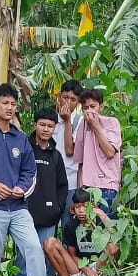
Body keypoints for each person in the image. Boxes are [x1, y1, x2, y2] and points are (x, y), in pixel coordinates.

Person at [0, 83, 48, 276]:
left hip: (19, 208)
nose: (9, 107)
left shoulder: (20, 138)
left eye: (13, 104)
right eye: (5, 103)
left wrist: (21, 188)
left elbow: (30, 172)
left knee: (33, 247)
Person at [15, 107, 68, 276]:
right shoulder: (24, 148)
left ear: (55, 129)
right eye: (42, 125)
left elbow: (62, 185)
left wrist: (58, 208)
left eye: (50, 126)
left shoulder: (56, 155)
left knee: (46, 253)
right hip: (25, 213)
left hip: (49, 215)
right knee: (24, 253)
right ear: (35, 125)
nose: (46, 129)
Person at [43, 189, 120, 276]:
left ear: (92, 206)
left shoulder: (100, 222)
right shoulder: (71, 226)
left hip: (100, 269)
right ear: (73, 209)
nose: (81, 210)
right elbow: (72, 255)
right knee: (49, 243)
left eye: (85, 206)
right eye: (78, 206)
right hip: (80, 269)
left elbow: (116, 239)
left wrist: (101, 214)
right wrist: (86, 270)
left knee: (114, 247)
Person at [73, 87, 123, 216]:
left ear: (101, 107)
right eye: (85, 108)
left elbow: (110, 152)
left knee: (107, 228)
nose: (89, 111)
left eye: (93, 106)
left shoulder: (112, 123)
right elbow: (80, 160)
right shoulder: (82, 125)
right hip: (87, 186)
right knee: (90, 229)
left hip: (107, 185)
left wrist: (96, 127)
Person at [54, 79, 84, 211]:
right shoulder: (50, 120)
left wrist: (67, 122)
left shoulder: (79, 121)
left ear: (78, 102)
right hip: (50, 179)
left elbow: (70, 150)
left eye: (73, 99)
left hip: (70, 181)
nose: (68, 102)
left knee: (68, 221)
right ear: (59, 97)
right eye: (65, 97)